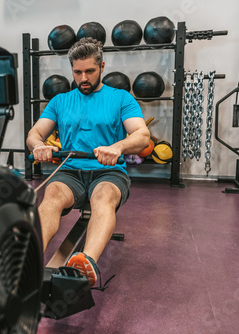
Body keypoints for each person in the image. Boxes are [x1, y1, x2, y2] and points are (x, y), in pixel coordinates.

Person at [26, 37, 150, 287]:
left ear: (102, 67)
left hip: (108, 172)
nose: (83, 78)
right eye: (77, 72)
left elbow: (142, 135)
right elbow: (34, 134)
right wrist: (39, 146)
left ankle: (85, 264)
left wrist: (118, 147)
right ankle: (26, 261)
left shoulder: (121, 98)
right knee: (51, 198)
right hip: (70, 172)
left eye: (90, 71)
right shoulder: (60, 101)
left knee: (103, 197)